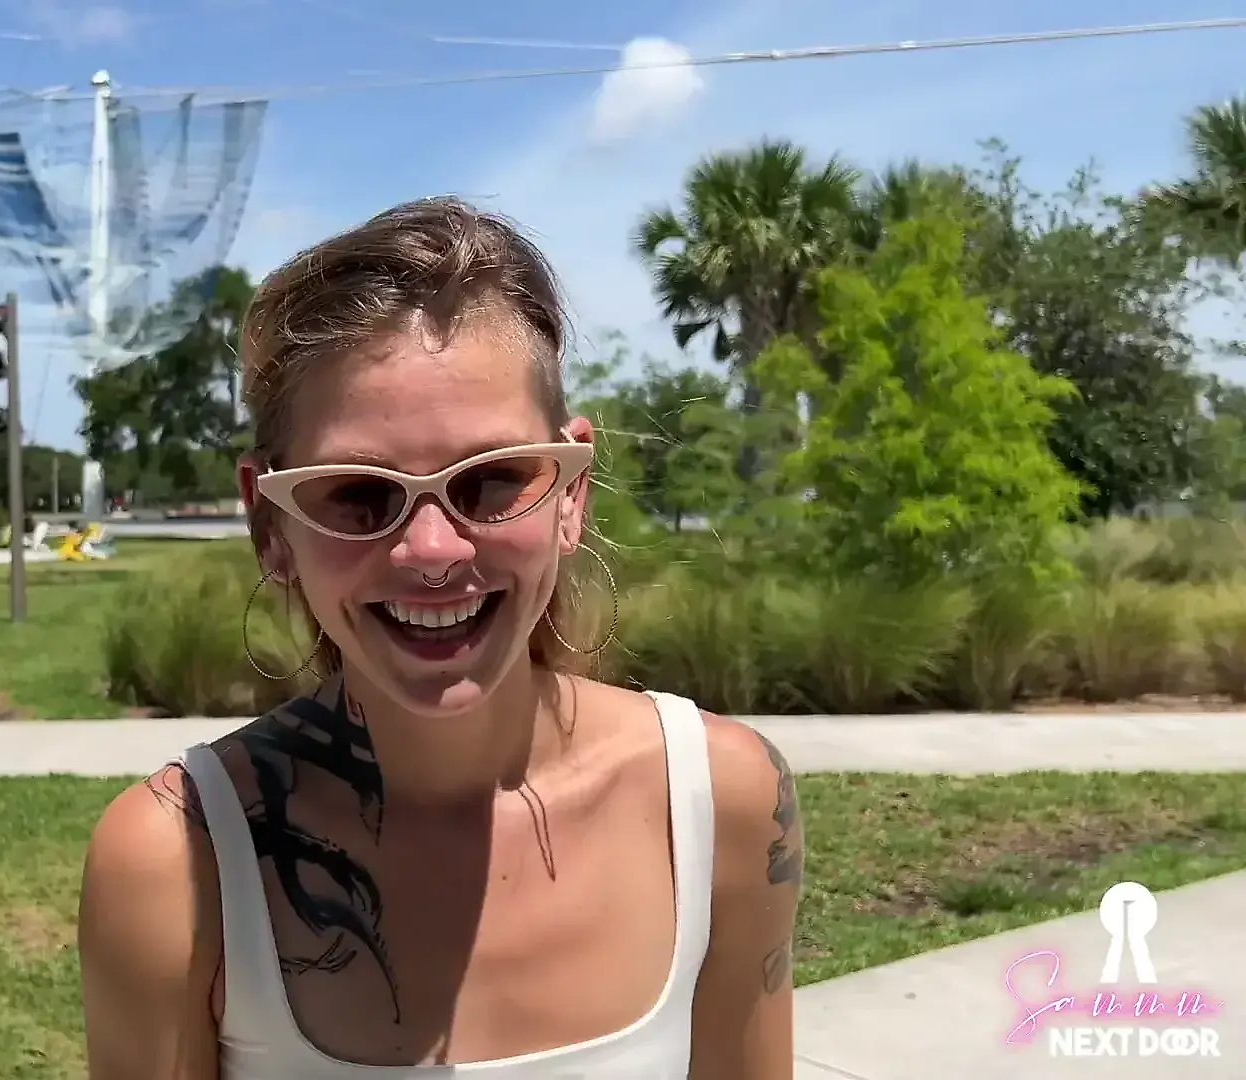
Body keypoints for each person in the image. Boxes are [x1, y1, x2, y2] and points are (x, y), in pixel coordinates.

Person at [78, 196, 802, 1079]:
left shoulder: (720, 802)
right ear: (270, 526)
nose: (432, 550)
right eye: (358, 493)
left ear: (570, 494)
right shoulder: (175, 864)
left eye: (491, 480)